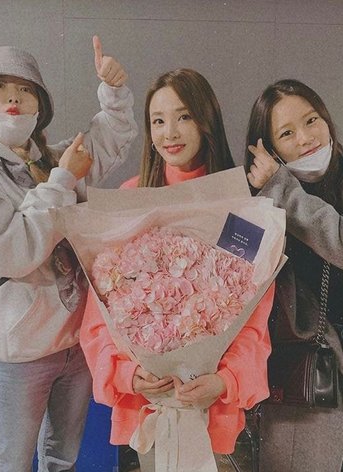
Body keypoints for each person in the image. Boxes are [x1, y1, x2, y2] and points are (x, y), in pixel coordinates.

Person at [0, 37, 137, 472]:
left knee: (62, 458)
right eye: (0, 87)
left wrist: (114, 90)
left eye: (25, 90)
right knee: (12, 462)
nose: (13, 98)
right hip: (19, 352)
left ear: (40, 106)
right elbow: (11, 250)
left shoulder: (49, 160)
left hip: (75, 343)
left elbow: (106, 139)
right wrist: (62, 181)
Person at [80, 68, 276, 471]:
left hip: (216, 410)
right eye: (158, 120)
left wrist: (225, 381)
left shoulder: (240, 205)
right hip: (149, 408)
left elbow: (255, 320)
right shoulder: (130, 198)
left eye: (184, 116)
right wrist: (128, 374)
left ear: (206, 120)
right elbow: (97, 317)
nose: (169, 132)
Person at [245, 78, 343, 472]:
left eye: (311, 120)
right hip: (306, 374)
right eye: (286, 133)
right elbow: (239, 281)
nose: (305, 138)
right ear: (269, 149)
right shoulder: (265, 201)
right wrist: (269, 196)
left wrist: (282, 188)